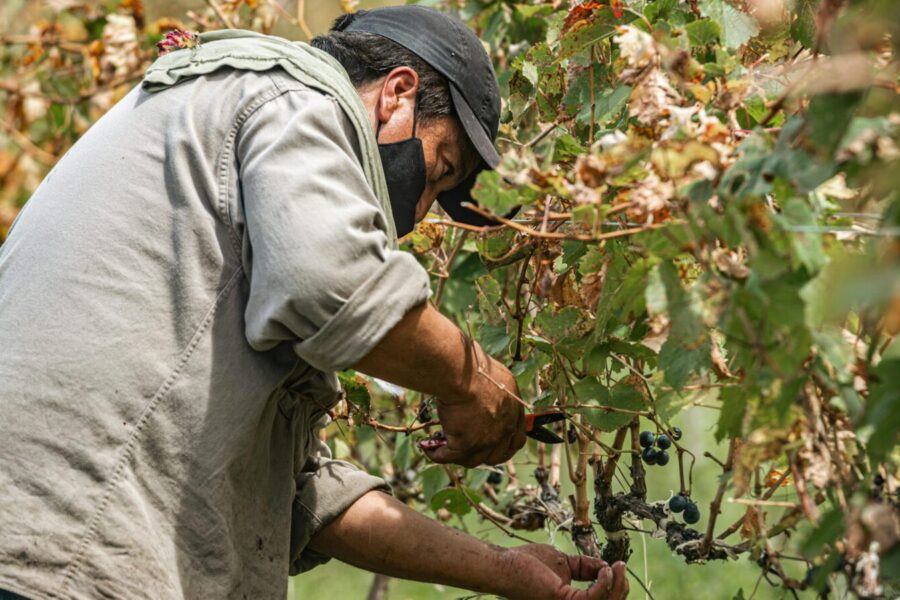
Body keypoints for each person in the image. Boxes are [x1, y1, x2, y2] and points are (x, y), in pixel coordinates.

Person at [0, 5, 629, 599]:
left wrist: (506, 571)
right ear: (397, 94)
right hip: (61, 554)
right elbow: (330, 285)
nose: (415, 213)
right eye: (438, 170)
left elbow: (298, 495)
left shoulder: (219, 122)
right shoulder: (291, 101)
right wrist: (474, 378)